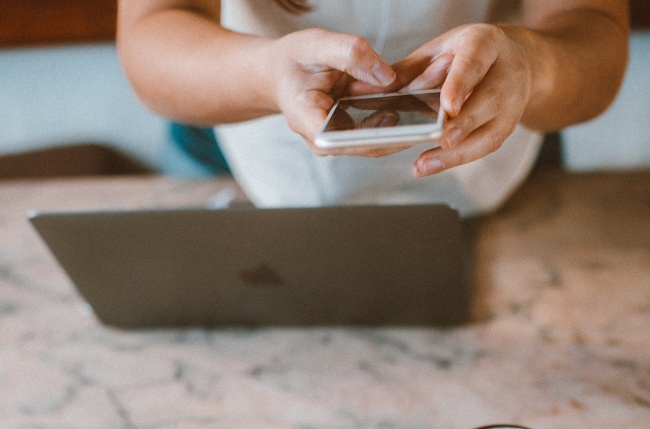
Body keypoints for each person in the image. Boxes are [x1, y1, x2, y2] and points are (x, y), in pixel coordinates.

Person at [116, 0, 629, 214]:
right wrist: (267, 74)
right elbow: (154, 24)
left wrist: (531, 65)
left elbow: (590, 25)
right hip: (236, 149)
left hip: (501, 154)